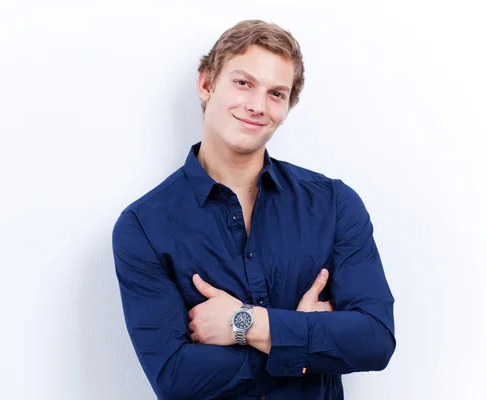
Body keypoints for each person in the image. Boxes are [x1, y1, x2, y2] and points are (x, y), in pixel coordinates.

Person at [112, 19, 395, 400]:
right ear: (206, 83)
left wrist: (243, 324)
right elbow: (175, 378)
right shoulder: (143, 227)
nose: (257, 106)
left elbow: (375, 340)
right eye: (243, 83)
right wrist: (302, 340)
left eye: (277, 93)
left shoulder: (334, 204)